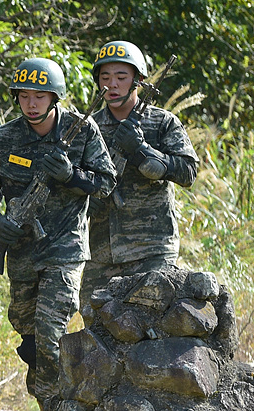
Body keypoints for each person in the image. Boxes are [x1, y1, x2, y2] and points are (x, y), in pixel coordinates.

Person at [0, 58, 115, 411]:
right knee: (29, 338)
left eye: (39, 96)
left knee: (50, 332)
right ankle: (52, 401)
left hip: (65, 248)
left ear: (54, 97)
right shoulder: (3, 139)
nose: (31, 103)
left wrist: (72, 175)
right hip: (22, 251)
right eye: (24, 96)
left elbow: (106, 184)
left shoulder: (82, 130)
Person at [82, 41, 198, 317]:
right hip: (101, 251)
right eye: (105, 78)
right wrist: (87, 193)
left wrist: (142, 150)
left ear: (138, 81)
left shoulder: (162, 123)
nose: (112, 85)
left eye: (121, 77)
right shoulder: (89, 126)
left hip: (152, 249)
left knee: (153, 329)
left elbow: (188, 171)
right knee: (97, 328)